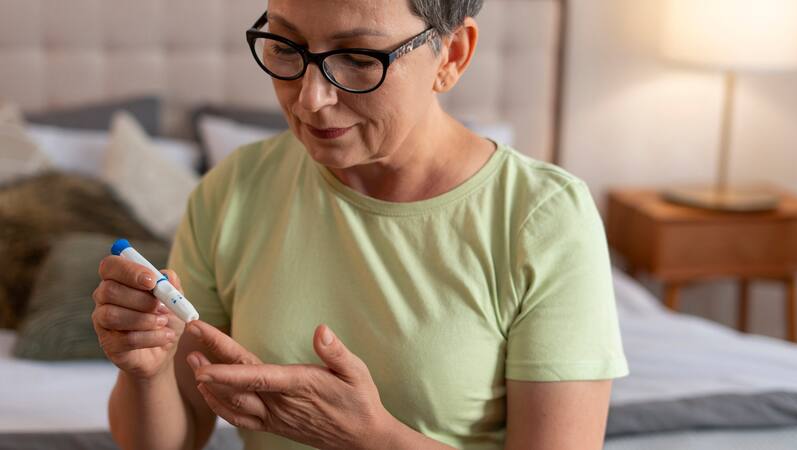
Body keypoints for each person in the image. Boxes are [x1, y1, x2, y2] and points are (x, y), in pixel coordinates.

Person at [92, 0, 629, 449]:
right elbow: (173, 436)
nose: (310, 99)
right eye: (285, 47)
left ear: (453, 55)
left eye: (356, 58)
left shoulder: (541, 218)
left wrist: (369, 436)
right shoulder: (235, 188)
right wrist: (147, 373)